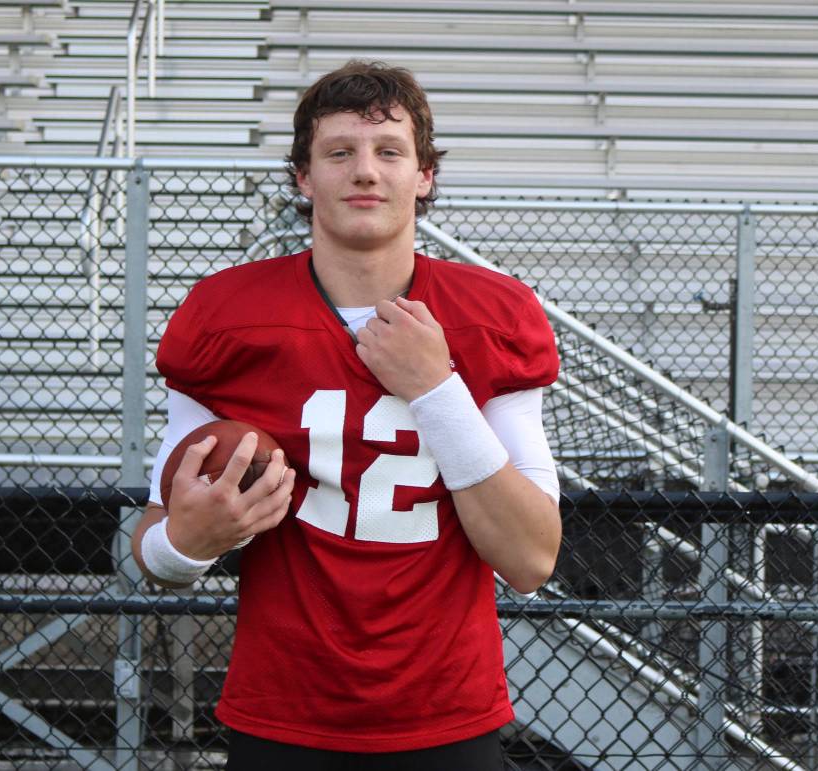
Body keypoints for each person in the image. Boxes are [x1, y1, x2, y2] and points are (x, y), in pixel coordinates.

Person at [131, 60, 562, 771]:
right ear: (304, 177)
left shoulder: (495, 316)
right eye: (340, 152)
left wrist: (436, 387)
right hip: (283, 712)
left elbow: (531, 558)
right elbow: (152, 547)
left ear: (424, 175)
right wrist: (188, 543)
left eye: (389, 151)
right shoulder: (229, 316)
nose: (365, 170)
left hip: (447, 713)